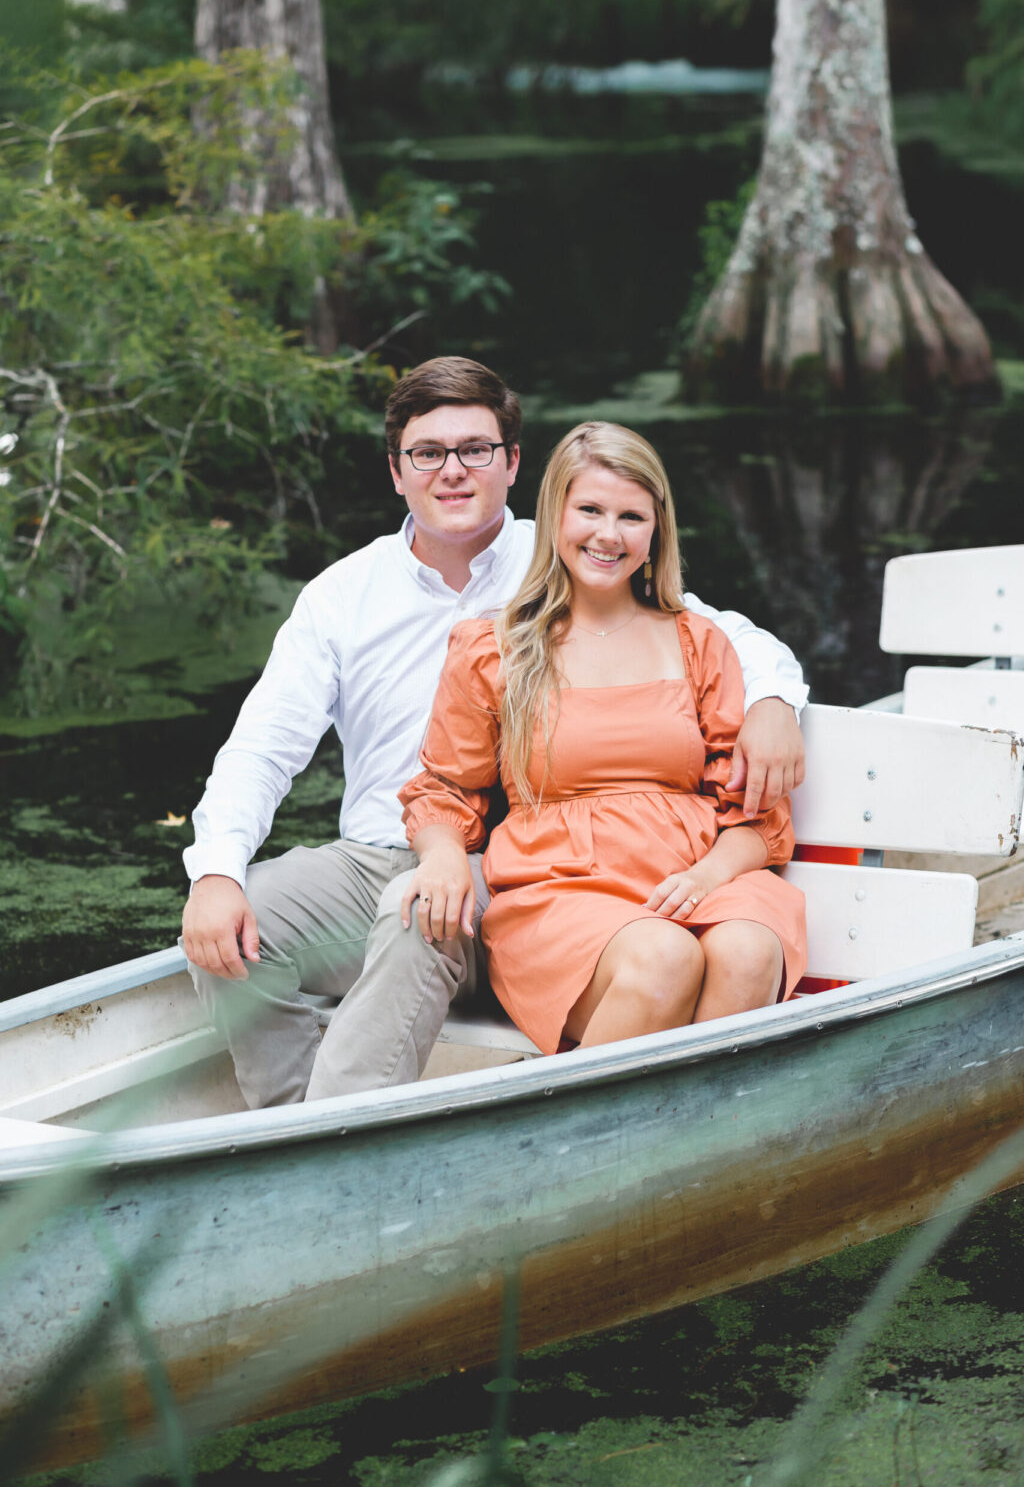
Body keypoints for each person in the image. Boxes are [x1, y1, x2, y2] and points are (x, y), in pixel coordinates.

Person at [181, 360, 808, 1107]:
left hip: (520, 862)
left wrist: (774, 699)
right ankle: (289, 1125)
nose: (452, 471)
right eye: (428, 453)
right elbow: (262, 748)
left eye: (475, 449)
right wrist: (217, 869)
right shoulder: (342, 596)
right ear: (397, 471)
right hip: (383, 852)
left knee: (419, 909)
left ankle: (340, 1134)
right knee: (231, 925)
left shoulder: (574, 552)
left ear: (513, 464)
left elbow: (717, 634)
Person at [398, 422, 807, 1053]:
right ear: (555, 513)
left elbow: (759, 811)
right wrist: (445, 853)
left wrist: (706, 876)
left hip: (701, 874)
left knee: (749, 950)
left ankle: (695, 1144)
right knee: (663, 957)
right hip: (565, 889)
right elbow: (446, 790)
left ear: (657, 529)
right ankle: (581, 1144)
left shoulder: (699, 642)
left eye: (631, 517)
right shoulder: (498, 647)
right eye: (590, 509)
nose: (608, 535)